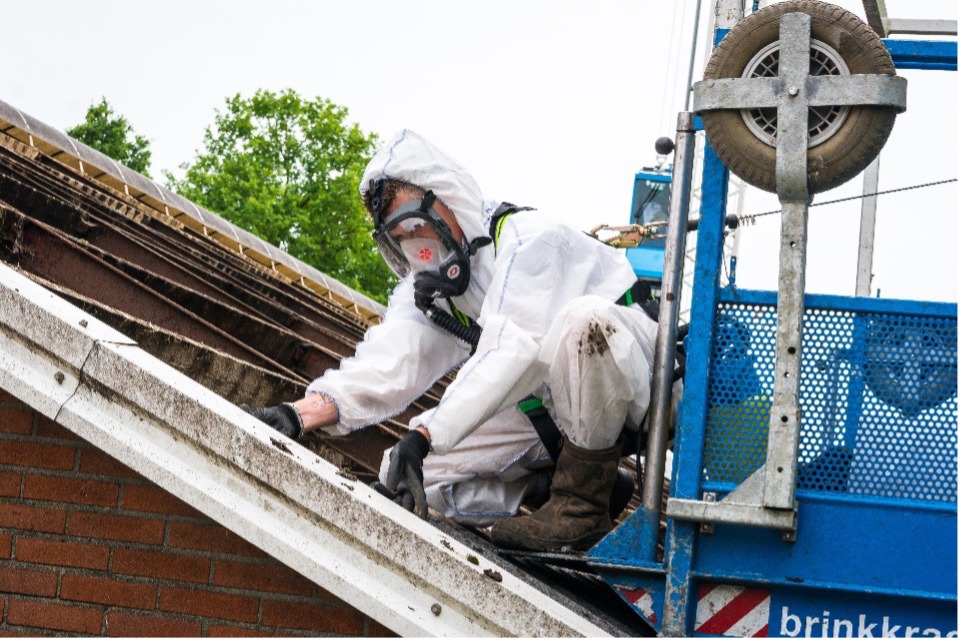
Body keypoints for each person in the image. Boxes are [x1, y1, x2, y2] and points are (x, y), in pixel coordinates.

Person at [247, 129, 676, 552]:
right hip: (556, 409)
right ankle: (546, 487)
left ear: (447, 201)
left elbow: (513, 348)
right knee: (404, 472)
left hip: (642, 386)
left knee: (586, 322)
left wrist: (427, 432)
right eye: (400, 237)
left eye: (416, 225)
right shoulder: (438, 288)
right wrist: (297, 414)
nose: (417, 246)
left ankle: (581, 505)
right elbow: (390, 360)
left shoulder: (529, 240)